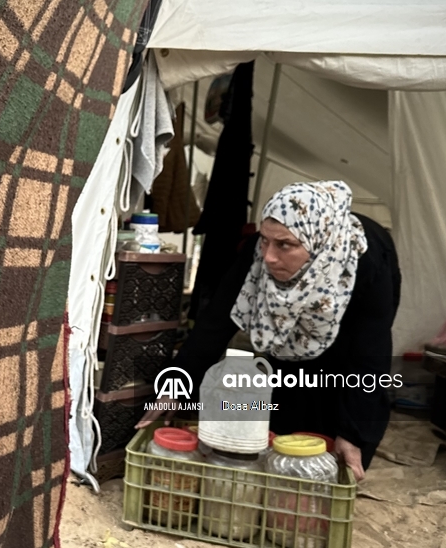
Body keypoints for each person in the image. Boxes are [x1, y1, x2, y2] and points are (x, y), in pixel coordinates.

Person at [145, 181, 400, 481]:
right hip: (284, 346)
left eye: (284, 245)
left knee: (332, 450)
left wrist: (353, 433)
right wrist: (177, 385)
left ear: (317, 243)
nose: (269, 257)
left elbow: (369, 355)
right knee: (279, 441)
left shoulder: (366, 262)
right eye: (265, 241)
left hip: (343, 354)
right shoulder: (259, 254)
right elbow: (215, 322)